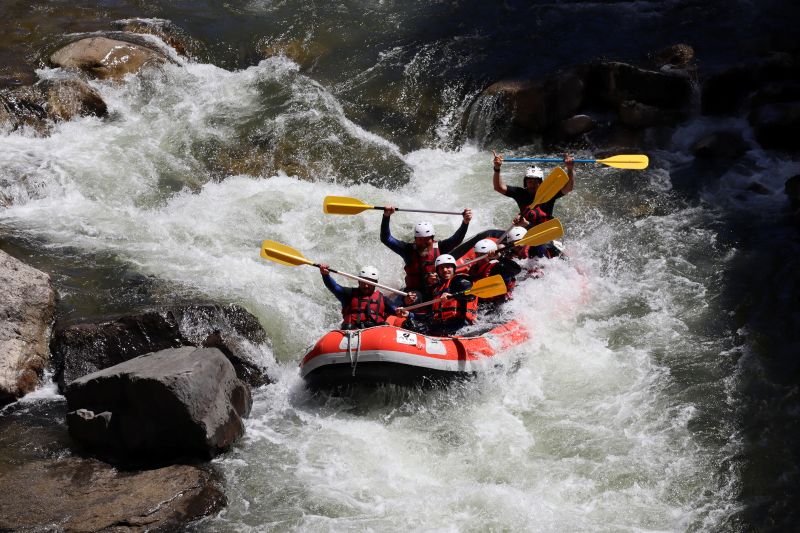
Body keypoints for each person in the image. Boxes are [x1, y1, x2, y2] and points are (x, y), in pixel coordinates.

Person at [381, 206, 473, 297]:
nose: (423, 243)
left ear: (433, 239)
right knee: (413, 298)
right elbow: (386, 239)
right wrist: (386, 216)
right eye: (419, 240)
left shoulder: (440, 247)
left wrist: (465, 222)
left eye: (426, 240)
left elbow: (456, 239)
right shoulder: (407, 249)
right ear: (415, 240)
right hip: (414, 293)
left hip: (438, 290)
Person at [492, 151, 575, 228]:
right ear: (525, 183)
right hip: (525, 230)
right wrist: (497, 168)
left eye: (535, 182)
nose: (532, 185)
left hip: (544, 231)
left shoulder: (549, 193)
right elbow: (498, 187)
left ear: (541, 183)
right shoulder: (520, 193)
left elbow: (568, 188)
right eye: (529, 182)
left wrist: (570, 169)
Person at [319, 264, 400, 330]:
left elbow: (398, 311)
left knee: (384, 325)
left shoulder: (383, 299)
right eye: (363, 282)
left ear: (376, 283)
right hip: (352, 333)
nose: (366, 285)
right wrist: (325, 275)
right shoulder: (349, 294)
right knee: (348, 327)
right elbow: (334, 287)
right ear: (358, 281)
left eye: (370, 282)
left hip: (376, 333)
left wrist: (407, 304)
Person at [426, 254, 478, 336]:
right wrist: (410, 314)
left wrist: (453, 296)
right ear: (438, 271)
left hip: (461, 325)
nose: (445, 270)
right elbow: (430, 314)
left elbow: (471, 294)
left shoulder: (459, 280)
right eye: (441, 268)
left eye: (448, 267)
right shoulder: (437, 289)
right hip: (444, 325)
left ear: (453, 268)